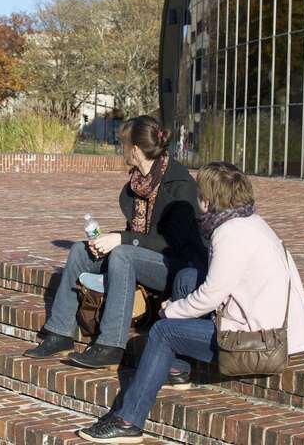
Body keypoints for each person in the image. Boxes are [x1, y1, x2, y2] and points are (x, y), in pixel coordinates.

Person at [77, 162, 304, 444]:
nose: (196, 199)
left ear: (208, 199)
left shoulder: (231, 235)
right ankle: (176, 369)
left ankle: (129, 420)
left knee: (163, 332)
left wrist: (170, 311)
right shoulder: (250, 222)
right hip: (266, 324)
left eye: (200, 193)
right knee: (188, 276)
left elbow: (211, 296)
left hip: (258, 340)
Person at [23, 115, 208, 372]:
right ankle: (60, 333)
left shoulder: (180, 186)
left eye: (122, 144)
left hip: (176, 264)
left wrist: (121, 239)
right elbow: (137, 234)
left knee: (122, 254)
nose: (121, 150)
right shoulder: (136, 184)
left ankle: (111, 345)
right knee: (80, 250)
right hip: (143, 255)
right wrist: (108, 239)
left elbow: (172, 243)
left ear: (134, 149)